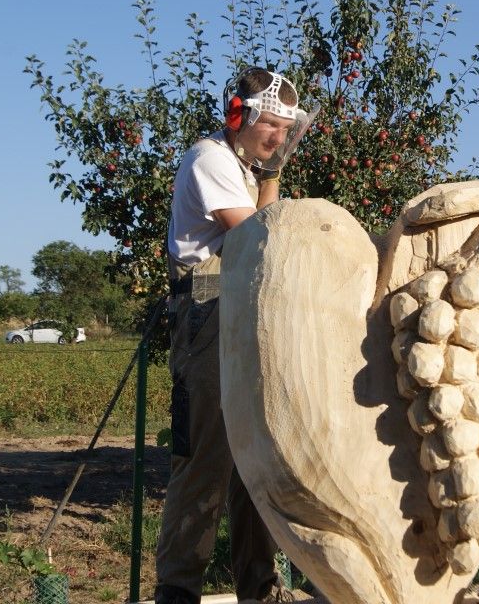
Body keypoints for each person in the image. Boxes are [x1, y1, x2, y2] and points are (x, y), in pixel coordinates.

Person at [154, 67, 306, 604]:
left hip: (244, 313)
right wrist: (271, 177)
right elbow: (256, 237)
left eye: (286, 129)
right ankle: (178, 589)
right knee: (205, 461)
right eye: (271, 125)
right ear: (238, 116)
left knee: (255, 462)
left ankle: (258, 588)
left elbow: (264, 230)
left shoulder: (245, 165)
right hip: (206, 314)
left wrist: (271, 170)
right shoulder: (210, 159)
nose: (279, 137)